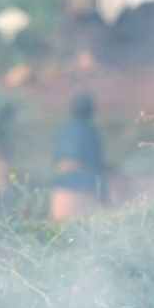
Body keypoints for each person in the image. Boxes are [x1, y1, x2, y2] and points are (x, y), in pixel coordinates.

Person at [50, 92, 107, 220]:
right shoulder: (91, 132)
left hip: (60, 193)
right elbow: (96, 167)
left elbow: (57, 162)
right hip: (83, 194)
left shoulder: (63, 131)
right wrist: (104, 197)